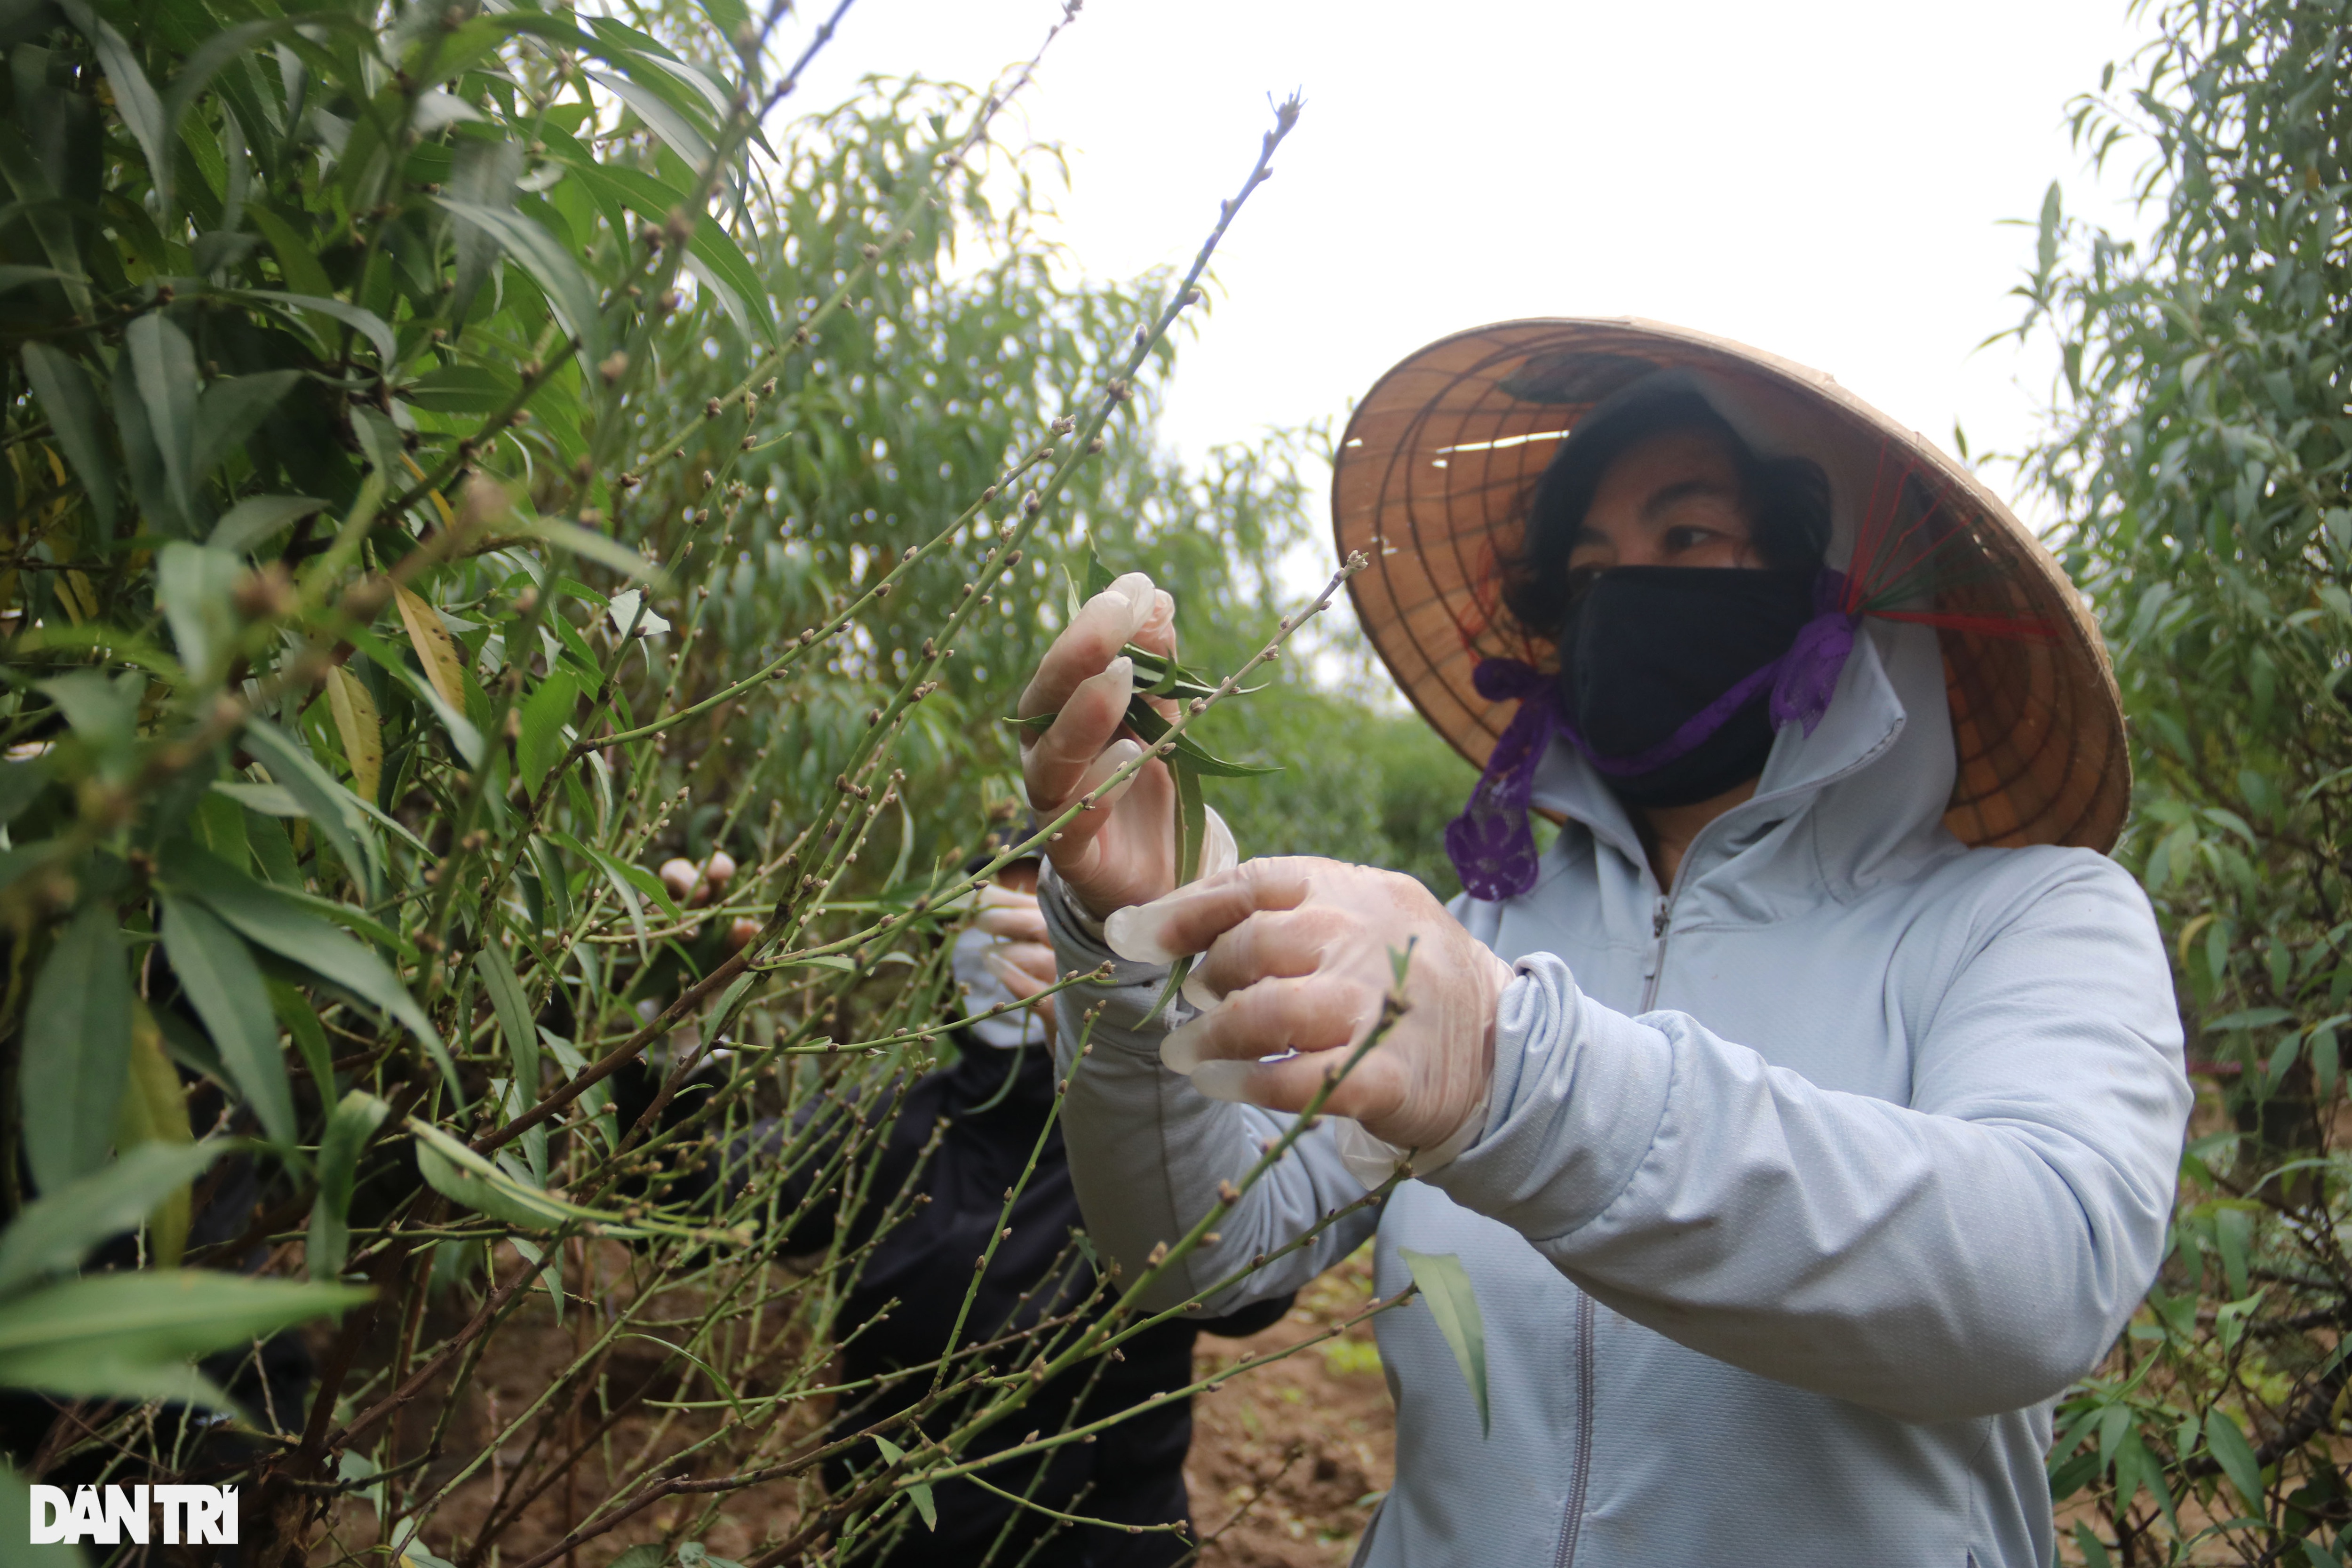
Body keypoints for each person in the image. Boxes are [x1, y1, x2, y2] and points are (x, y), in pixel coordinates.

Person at [1014, 321, 2193, 1566]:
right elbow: (1195, 1248)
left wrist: (1510, 1072)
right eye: (1587, 571)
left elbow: (2037, 1278)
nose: (1623, 597)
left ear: (1835, 587)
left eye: (1688, 539)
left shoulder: (2027, 918)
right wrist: (1130, 954)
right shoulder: (1492, 934)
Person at [710, 823, 1289, 1568]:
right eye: (995, 923)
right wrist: (690, 1024)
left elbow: (1254, 1288)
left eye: (1058, 924)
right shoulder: (886, 1119)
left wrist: (1135, 1063)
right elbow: (703, 1196)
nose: (1023, 953)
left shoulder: (1152, 1144)